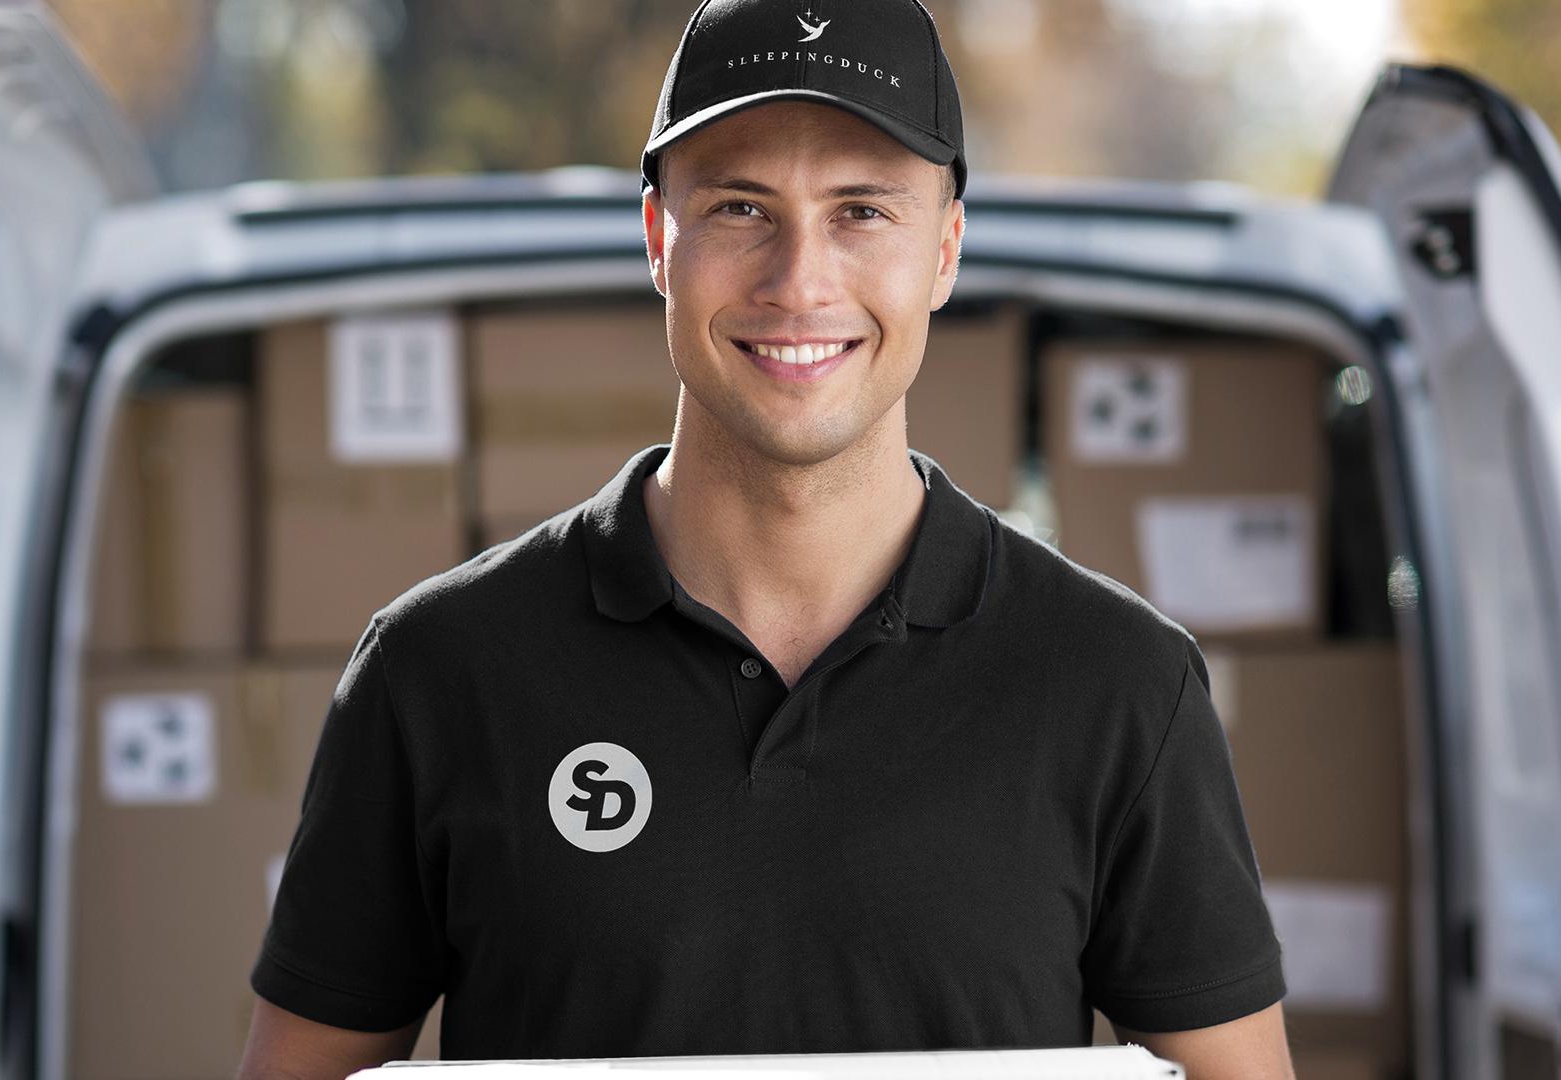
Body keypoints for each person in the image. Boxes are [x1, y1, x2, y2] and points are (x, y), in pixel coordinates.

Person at [236, 1, 1296, 1078]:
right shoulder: (439, 672)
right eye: (742, 208)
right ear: (659, 239)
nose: (799, 281)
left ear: (944, 250)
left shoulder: (1118, 684)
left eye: (862, 212)